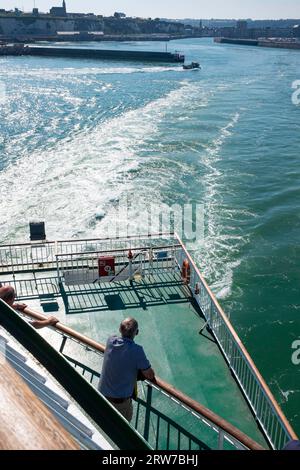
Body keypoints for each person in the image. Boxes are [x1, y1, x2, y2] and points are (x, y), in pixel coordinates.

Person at [98, 317, 155, 422]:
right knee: (122, 425)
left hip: (102, 395)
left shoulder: (110, 341)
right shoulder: (137, 350)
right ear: (136, 332)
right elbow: (150, 375)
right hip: (120, 403)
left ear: (120, 329)